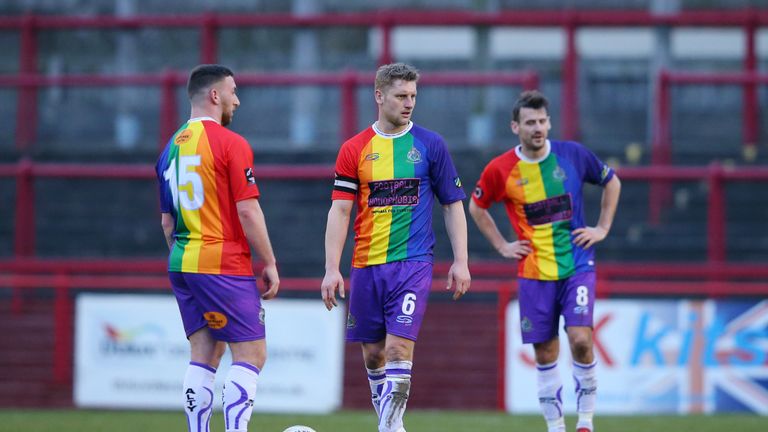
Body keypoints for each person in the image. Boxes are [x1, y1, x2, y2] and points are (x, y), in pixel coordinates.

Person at [321, 63, 471, 432]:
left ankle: (386, 429)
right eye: (401, 96)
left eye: (413, 97)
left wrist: (461, 261)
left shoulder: (431, 145)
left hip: (412, 264)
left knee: (398, 351)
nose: (409, 104)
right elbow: (341, 210)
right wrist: (331, 267)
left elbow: (452, 204)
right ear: (379, 96)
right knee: (373, 355)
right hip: (367, 265)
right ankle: (393, 427)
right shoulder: (354, 149)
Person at [469, 90, 620, 432]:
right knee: (545, 352)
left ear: (549, 122)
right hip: (534, 272)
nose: (537, 128)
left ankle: (585, 422)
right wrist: (502, 246)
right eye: (530, 122)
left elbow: (612, 182)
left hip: (577, 264)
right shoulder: (500, 169)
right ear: (515, 127)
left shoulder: (573, 155)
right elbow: (477, 207)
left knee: (581, 339)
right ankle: (555, 427)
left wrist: (602, 228)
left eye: (542, 121)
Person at [155, 64, 280, 432]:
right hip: (221, 262)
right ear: (215, 95)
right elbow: (247, 209)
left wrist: (186, 259)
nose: (237, 100)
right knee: (252, 354)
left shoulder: (170, 148)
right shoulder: (230, 143)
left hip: (181, 262)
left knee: (205, 353)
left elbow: (167, 223)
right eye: (233, 91)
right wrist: (269, 261)